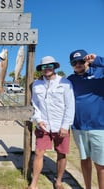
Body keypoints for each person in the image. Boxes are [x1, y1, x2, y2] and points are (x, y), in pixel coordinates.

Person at [28, 56, 75, 189]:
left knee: (61, 153)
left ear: (54, 67)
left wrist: (65, 126)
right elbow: (35, 104)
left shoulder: (65, 83)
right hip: (43, 125)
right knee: (38, 153)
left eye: (50, 66)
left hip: (61, 126)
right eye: (44, 67)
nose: (47, 69)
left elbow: (70, 106)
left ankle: (58, 181)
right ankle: (33, 184)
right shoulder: (36, 84)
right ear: (41, 69)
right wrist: (38, 119)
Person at [67, 49, 104, 189]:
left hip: (99, 127)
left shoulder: (100, 73)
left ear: (87, 60)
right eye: (74, 62)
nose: (78, 64)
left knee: (101, 165)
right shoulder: (70, 80)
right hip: (79, 127)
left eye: (81, 61)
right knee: (84, 160)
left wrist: (98, 60)